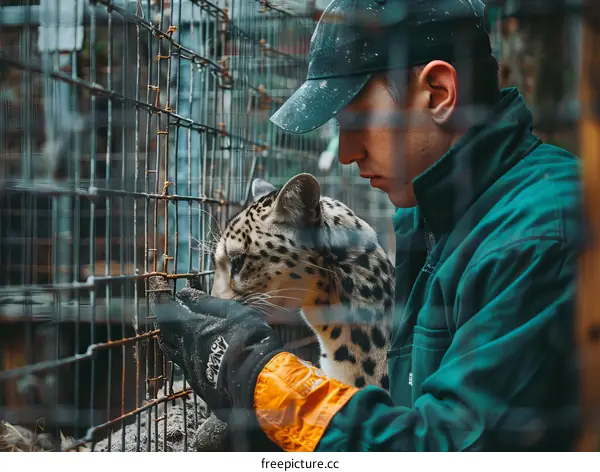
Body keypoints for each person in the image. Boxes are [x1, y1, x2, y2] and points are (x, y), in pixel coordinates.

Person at [152, 0, 586, 452]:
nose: (345, 154)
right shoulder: (435, 212)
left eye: (354, 119)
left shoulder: (540, 234)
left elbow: (443, 451)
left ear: (438, 92)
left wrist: (267, 384)